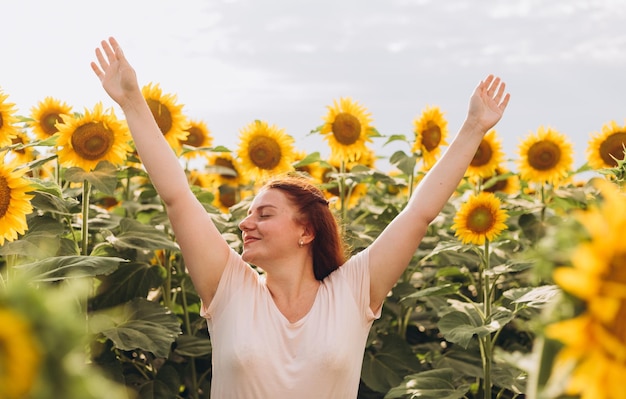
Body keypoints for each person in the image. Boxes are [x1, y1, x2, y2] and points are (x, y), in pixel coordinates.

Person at [91, 36, 510, 398]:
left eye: (264, 214)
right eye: (248, 214)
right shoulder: (230, 287)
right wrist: (132, 101)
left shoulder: (352, 292)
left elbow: (418, 214)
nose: (244, 223)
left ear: (306, 230)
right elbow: (177, 197)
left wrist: (474, 127)